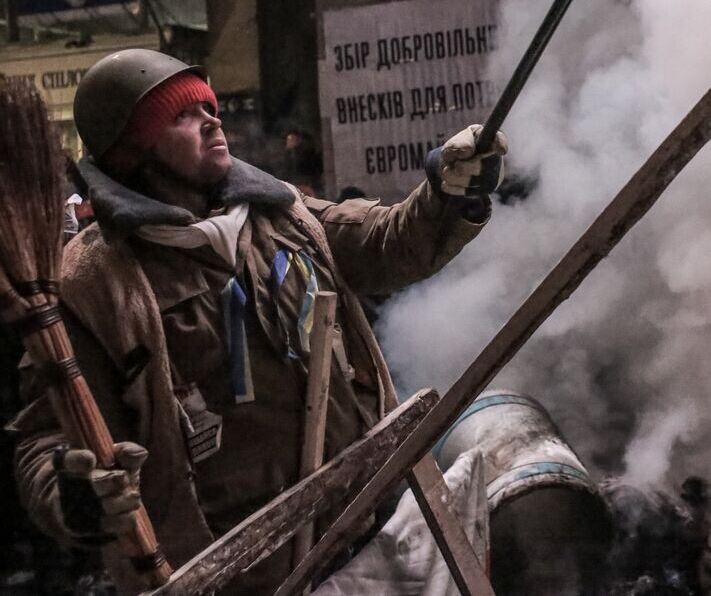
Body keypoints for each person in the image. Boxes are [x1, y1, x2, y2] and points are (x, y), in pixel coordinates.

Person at [8, 49, 506, 593]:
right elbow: (44, 440)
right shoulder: (89, 284)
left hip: (368, 526)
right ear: (135, 152)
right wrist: (74, 494)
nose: (212, 120)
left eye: (208, 107)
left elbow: (388, 242)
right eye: (182, 115)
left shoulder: (282, 216)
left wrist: (448, 195)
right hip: (230, 576)